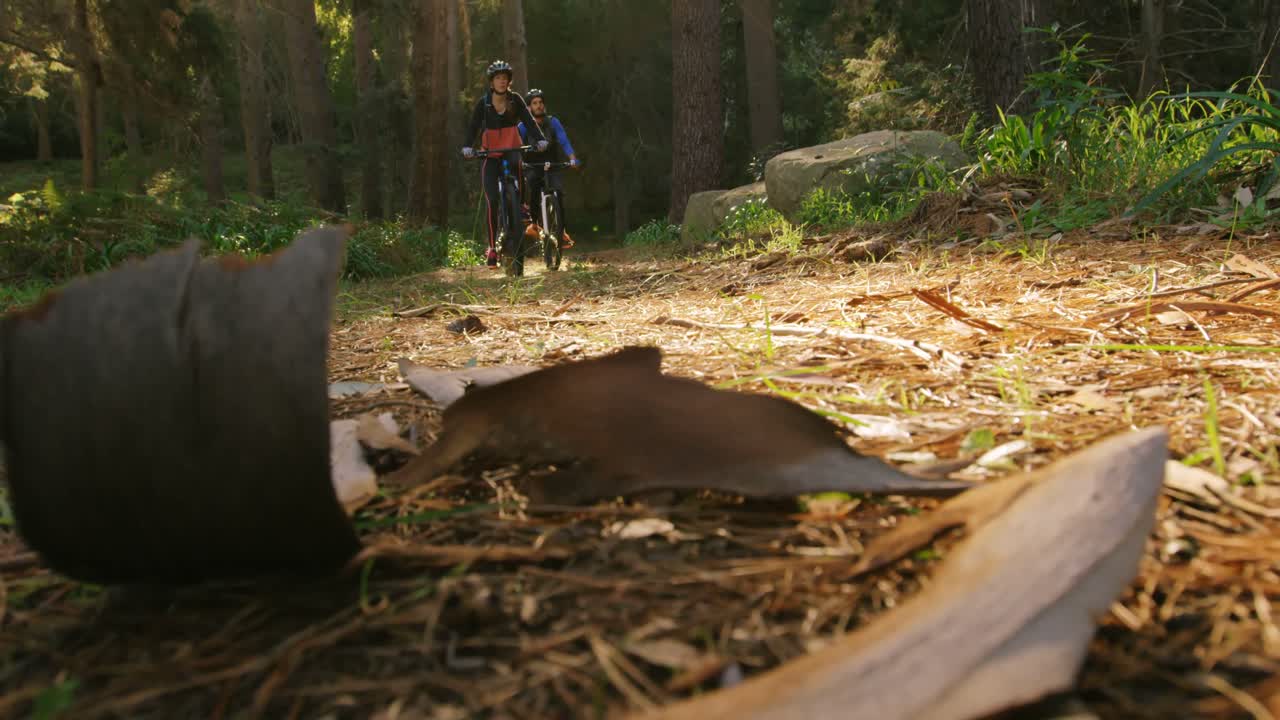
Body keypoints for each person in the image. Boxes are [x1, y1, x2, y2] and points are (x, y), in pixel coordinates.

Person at [461, 60, 548, 268]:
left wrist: (539, 139)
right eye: (498, 78)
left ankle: (521, 207)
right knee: (492, 201)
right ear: (492, 82)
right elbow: (473, 126)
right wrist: (467, 146)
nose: (502, 81)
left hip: (511, 148)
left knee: (518, 166)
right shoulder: (484, 103)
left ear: (509, 81)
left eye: (505, 78)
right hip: (490, 154)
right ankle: (492, 248)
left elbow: (528, 121)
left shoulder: (515, 99)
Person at [518, 88, 580, 249]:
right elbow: (517, 146)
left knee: (558, 194)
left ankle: (562, 232)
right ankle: (533, 224)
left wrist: (572, 158)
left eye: (540, 103)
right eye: (534, 103)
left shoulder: (553, 122)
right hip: (532, 166)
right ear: (529, 107)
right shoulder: (523, 126)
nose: (539, 106)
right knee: (533, 188)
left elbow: (563, 140)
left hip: (553, 164)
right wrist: (519, 162)